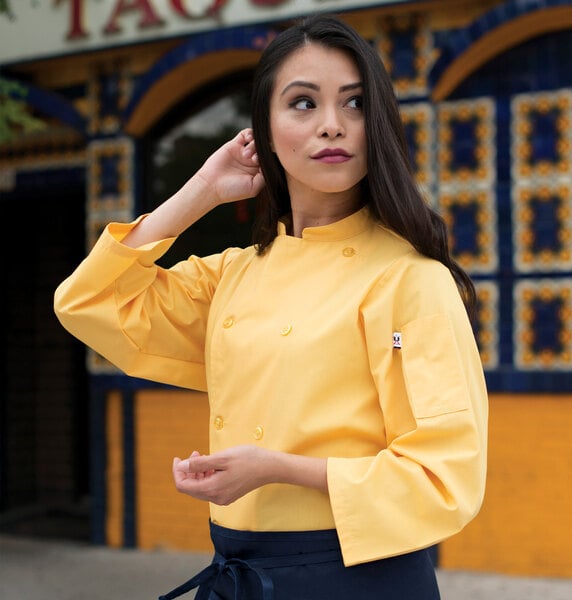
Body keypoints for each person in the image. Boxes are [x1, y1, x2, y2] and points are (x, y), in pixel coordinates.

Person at [54, 13, 488, 600]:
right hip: (240, 576)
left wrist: (277, 468)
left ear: (378, 124)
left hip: (358, 580)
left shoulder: (410, 279)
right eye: (303, 103)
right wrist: (202, 191)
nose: (332, 126)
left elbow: (444, 477)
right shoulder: (233, 273)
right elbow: (88, 301)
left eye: (355, 104)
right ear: (264, 128)